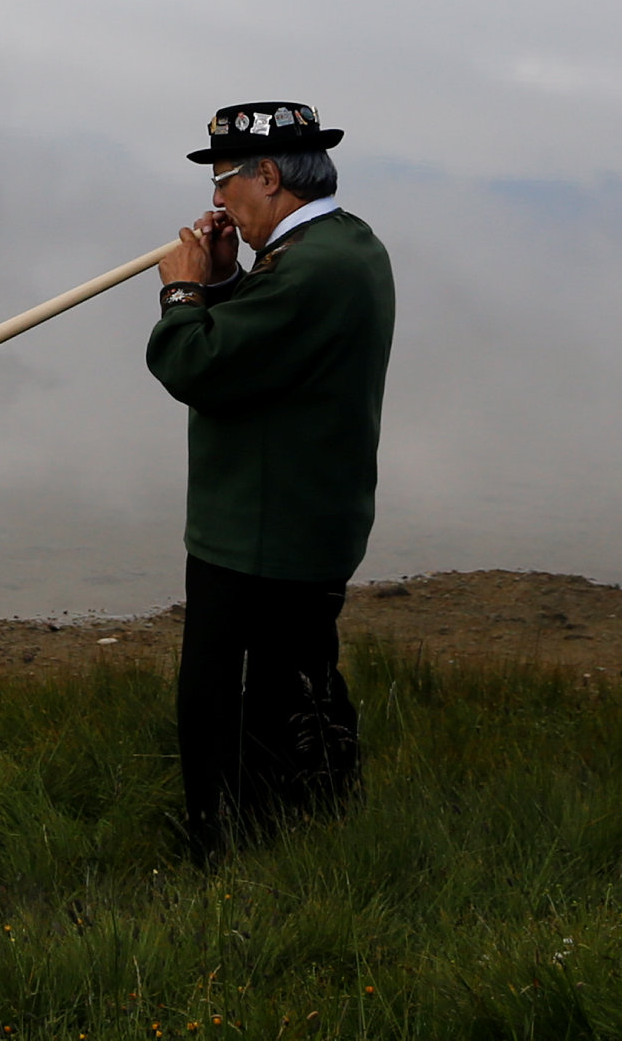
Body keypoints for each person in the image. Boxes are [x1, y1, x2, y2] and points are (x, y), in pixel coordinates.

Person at [151, 101, 395, 860]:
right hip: (310, 517)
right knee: (302, 679)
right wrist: (228, 280)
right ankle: (312, 824)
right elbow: (265, 347)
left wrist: (185, 291)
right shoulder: (348, 245)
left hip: (258, 530)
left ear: (268, 174)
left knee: (217, 694)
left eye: (226, 181)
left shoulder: (309, 270)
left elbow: (198, 364)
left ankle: (215, 848)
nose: (218, 201)